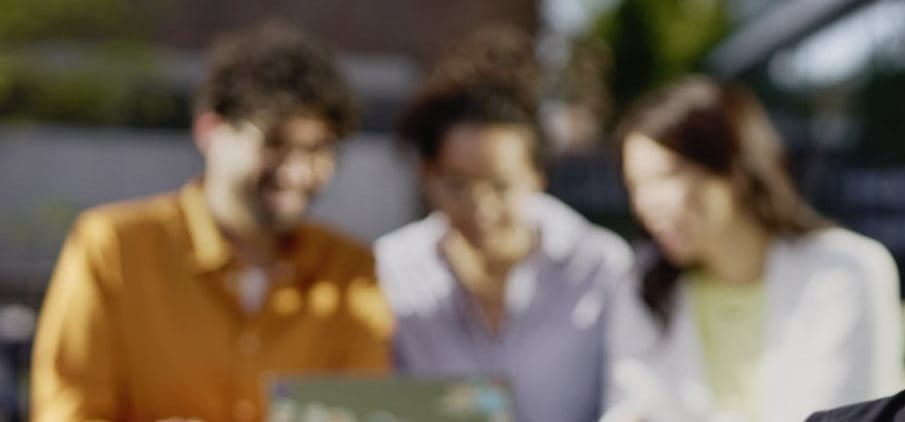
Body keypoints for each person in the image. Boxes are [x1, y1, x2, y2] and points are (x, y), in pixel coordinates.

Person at [31, 23, 391, 422]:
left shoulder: (350, 271)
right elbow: (66, 408)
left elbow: (364, 410)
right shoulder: (114, 248)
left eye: (320, 150)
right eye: (276, 143)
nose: (300, 173)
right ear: (209, 130)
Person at [602, 76, 903, 422]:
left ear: (733, 168)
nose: (647, 203)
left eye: (666, 176)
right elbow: (629, 409)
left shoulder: (846, 270)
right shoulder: (643, 287)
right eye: (635, 185)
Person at [374, 28, 633, 422]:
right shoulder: (392, 269)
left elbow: (632, 396)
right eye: (456, 185)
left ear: (537, 175)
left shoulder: (601, 266)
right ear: (426, 176)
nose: (482, 209)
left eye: (501, 186)